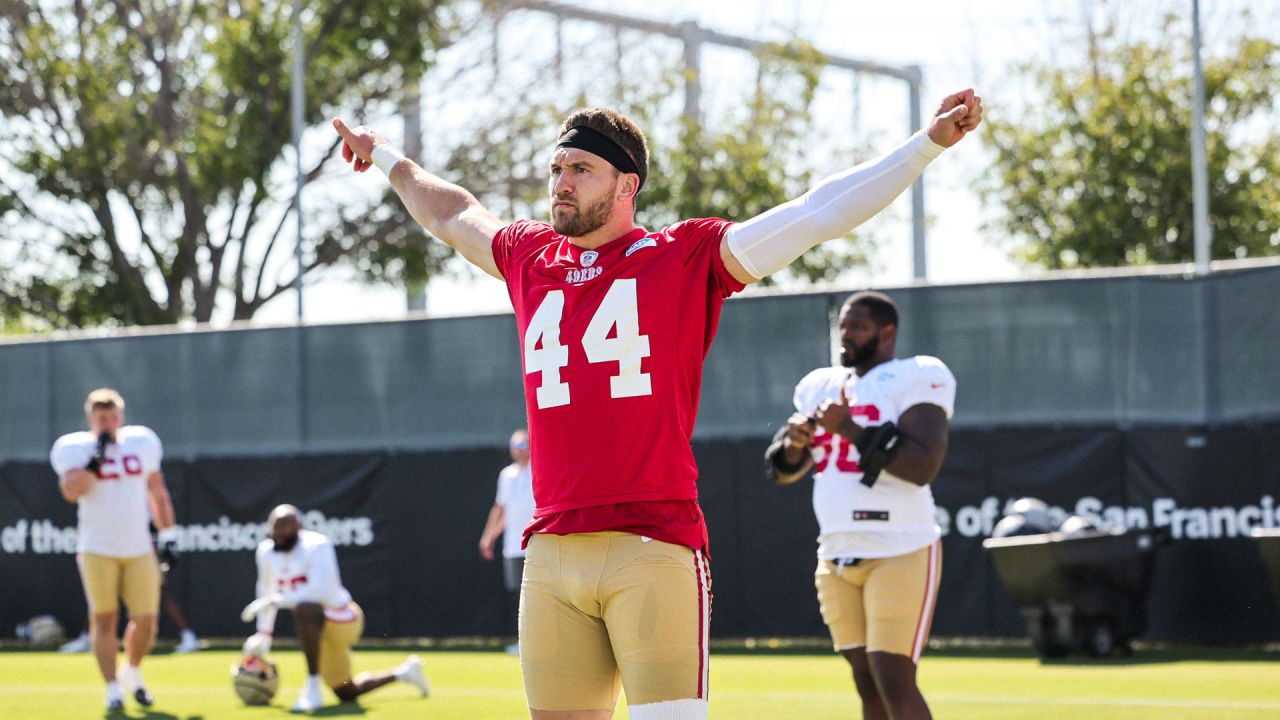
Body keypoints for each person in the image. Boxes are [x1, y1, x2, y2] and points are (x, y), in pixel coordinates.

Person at [333, 88, 981, 720]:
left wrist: (924, 147)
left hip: (653, 543)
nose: (561, 181)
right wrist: (388, 157)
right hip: (554, 550)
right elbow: (451, 213)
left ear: (626, 186)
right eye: (557, 167)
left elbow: (816, 213)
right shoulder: (530, 256)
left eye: (581, 169)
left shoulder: (683, 256)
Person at [766, 291, 955, 720]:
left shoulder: (918, 376)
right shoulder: (820, 384)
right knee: (865, 678)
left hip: (898, 546)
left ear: (887, 332)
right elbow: (780, 469)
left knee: (892, 675)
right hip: (835, 549)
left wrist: (848, 427)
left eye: (858, 327)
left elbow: (922, 465)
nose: (845, 335)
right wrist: (795, 443)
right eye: (843, 326)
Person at [50, 388, 179, 711]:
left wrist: (170, 534)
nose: (107, 422)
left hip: (139, 546)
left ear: (120, 417)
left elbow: (157, 491)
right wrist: (96, 460)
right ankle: (112, 690)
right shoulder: (75, 448)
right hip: (97, 547)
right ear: (91, 419)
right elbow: (70, 491)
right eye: (100, 417)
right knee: (105, 620)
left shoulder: (141, 441)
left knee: (147, 620)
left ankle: (132, 672)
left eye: (111, 416)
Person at [239, 504, 430, 712]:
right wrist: (264, 632)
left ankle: (312, 687)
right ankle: (405, 673)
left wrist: (277, 600)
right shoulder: (266, 551)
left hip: (343, 618)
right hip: (319, 632)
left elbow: (321, 591)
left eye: (286, 527)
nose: (281, 532)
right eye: (276, 527)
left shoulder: (317, 545)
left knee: (305, 608)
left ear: (299, 527)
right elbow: (266, 588)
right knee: (346, 691)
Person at [478, 429, 535, 653]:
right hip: (512, 547)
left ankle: (538, 643)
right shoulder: (506, 475)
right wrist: (489, 536)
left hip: (536, 543)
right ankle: (524, 642)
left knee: (536, 595)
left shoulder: (538, 470)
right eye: (515, 446)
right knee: (517, 595)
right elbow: (501, 509)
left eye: (523, 446)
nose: (518, 451)